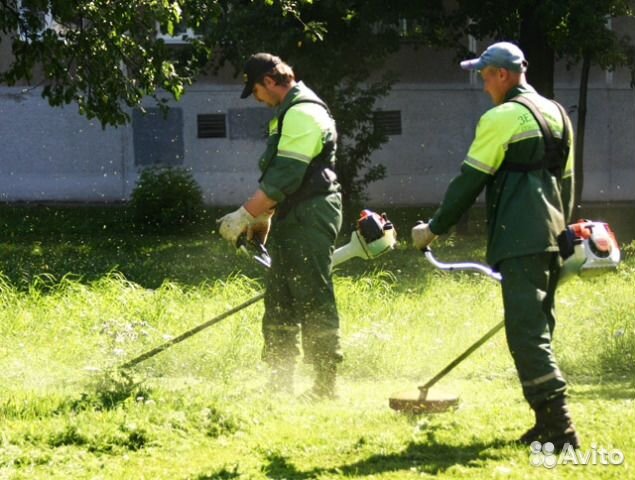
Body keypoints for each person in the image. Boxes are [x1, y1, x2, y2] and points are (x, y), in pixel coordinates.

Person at [411, 42, 579, 450]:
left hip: (520, 239)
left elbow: (470, 180)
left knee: (526, 335)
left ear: (502, 75)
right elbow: (567, 183)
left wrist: (433, 228)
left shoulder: (502, 117)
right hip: (554, 238)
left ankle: (561, 429)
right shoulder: (558, 114)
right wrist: (562, 231)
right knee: (538, 328)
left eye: (484, 76)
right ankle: (545, 422)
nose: (483, 85)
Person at [217, 53, 343, 399]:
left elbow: (287, 176)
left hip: (311, 212)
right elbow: (279, 178)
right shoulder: (285, 115)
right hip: (293, 213)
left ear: (270, 82)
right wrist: (263, 217)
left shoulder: (303, 113)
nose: (257, 98)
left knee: (313, 296)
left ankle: (324, 384)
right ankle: (279, 380)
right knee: (280, 298)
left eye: (256, 90)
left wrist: (244, 214)